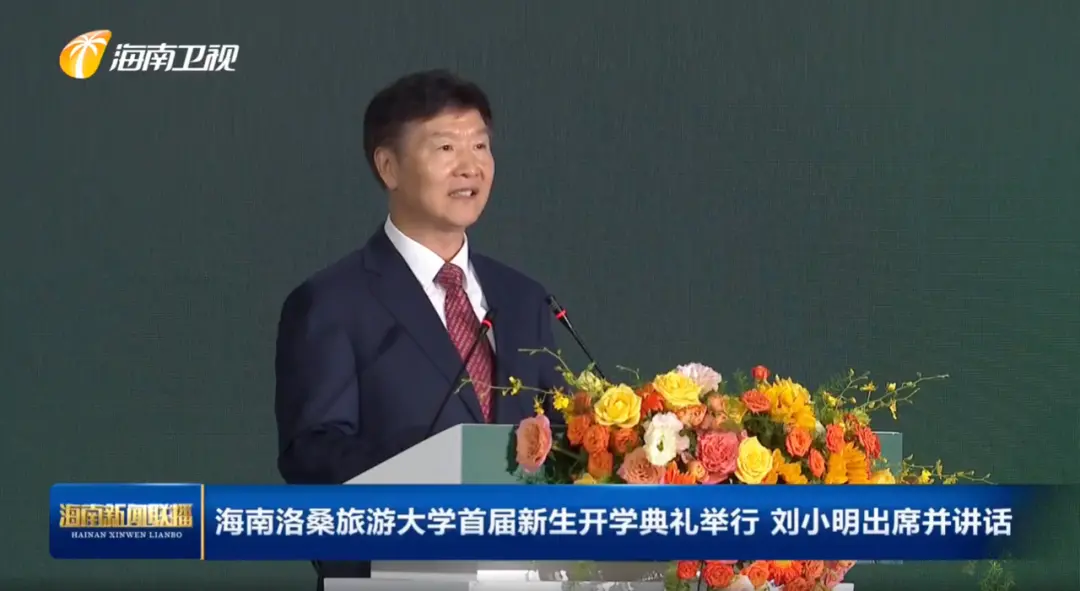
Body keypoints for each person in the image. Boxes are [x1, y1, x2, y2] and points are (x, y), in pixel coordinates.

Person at [274, 70, 567, 589]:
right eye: (446, 147)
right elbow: (312, 456)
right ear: (388, 166)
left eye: (480, 146)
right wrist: (442, 466)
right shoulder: (330, 302)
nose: (470, 166)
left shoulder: (524, 298)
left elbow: (560, 433)